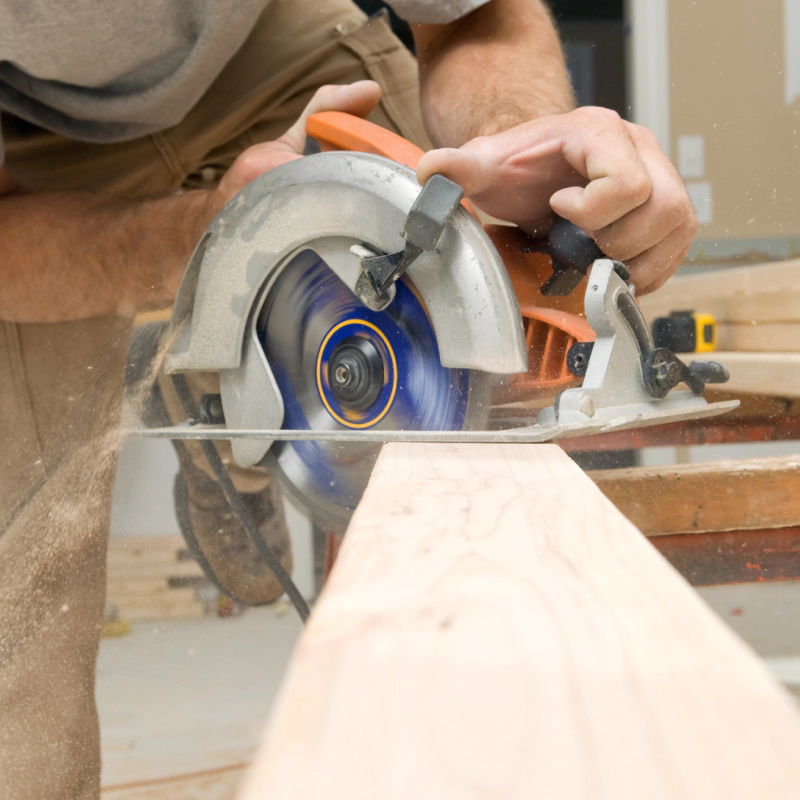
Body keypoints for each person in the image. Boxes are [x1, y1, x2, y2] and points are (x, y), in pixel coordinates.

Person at [0, 0, 697, 797]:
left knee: (471, 513)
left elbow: (474, 19)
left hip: (270, 49)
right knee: (21, 623)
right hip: (31, 130)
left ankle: (231, 409)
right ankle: (226, 375)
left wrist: (518, 140)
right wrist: (209, 241)